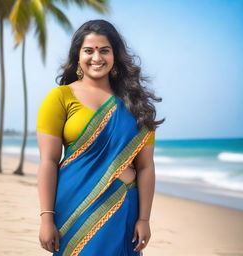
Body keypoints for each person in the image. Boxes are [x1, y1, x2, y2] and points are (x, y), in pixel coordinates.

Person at [36, 19, 165, 256]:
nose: (97, 57)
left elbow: (146, 167)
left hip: (123, 205)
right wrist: (46, 218)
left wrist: (144, 219)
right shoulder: (60, 97)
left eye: (104, 50)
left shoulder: (135, 104)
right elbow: (48, 161)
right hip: (74, 205)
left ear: (115, 55)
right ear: (78, 56)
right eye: (89, 51)